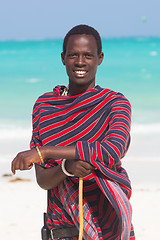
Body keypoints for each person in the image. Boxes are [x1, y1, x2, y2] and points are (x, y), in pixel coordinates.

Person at [11, 24, 135, 240]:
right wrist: (67, 168)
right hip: (57, 232)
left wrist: (44, 152)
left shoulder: (115, 104)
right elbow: (43, 180)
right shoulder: (45, 106)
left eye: (88, 55)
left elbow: (111, 151)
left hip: (107, 230)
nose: (80, 62)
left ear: (100, 58)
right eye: (73, 55)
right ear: (62, 58)